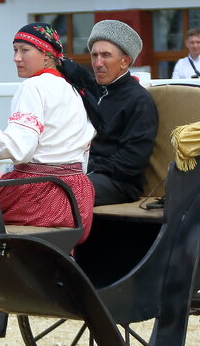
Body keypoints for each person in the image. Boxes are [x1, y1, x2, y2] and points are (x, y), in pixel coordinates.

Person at [0, 23, 95, 241]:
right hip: (78, 197)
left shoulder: (33, 86)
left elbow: (20, 149)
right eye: (15, 50)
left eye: (24, 50)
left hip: (39, 195)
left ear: (47, 56)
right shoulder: (73, 89)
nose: (17, 58)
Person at [58, 20, 158, 206]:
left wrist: (87, 167)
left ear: (125, 61)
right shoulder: (90, 91)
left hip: (119, 182)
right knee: (34, 185)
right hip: (83, 172)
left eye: (105, 55)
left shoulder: (139, 100)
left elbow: (132, 160)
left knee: (62, 192)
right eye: (94, 55)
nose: (97, 63)